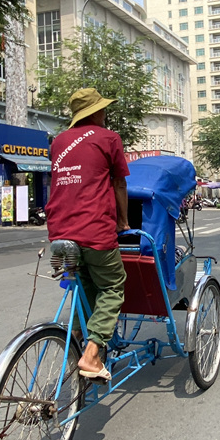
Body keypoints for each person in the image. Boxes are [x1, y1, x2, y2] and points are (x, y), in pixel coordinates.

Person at [46, 88, 130, 384]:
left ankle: (82, 334)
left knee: (84, 285)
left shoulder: (58, 142)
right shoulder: (109, 138)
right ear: (95, 112)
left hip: (58, 232)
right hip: (94, 228)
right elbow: (119, 184)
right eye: (102, 109)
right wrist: (123, 222)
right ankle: (92, 354)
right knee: (113, 286)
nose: (105, 113)